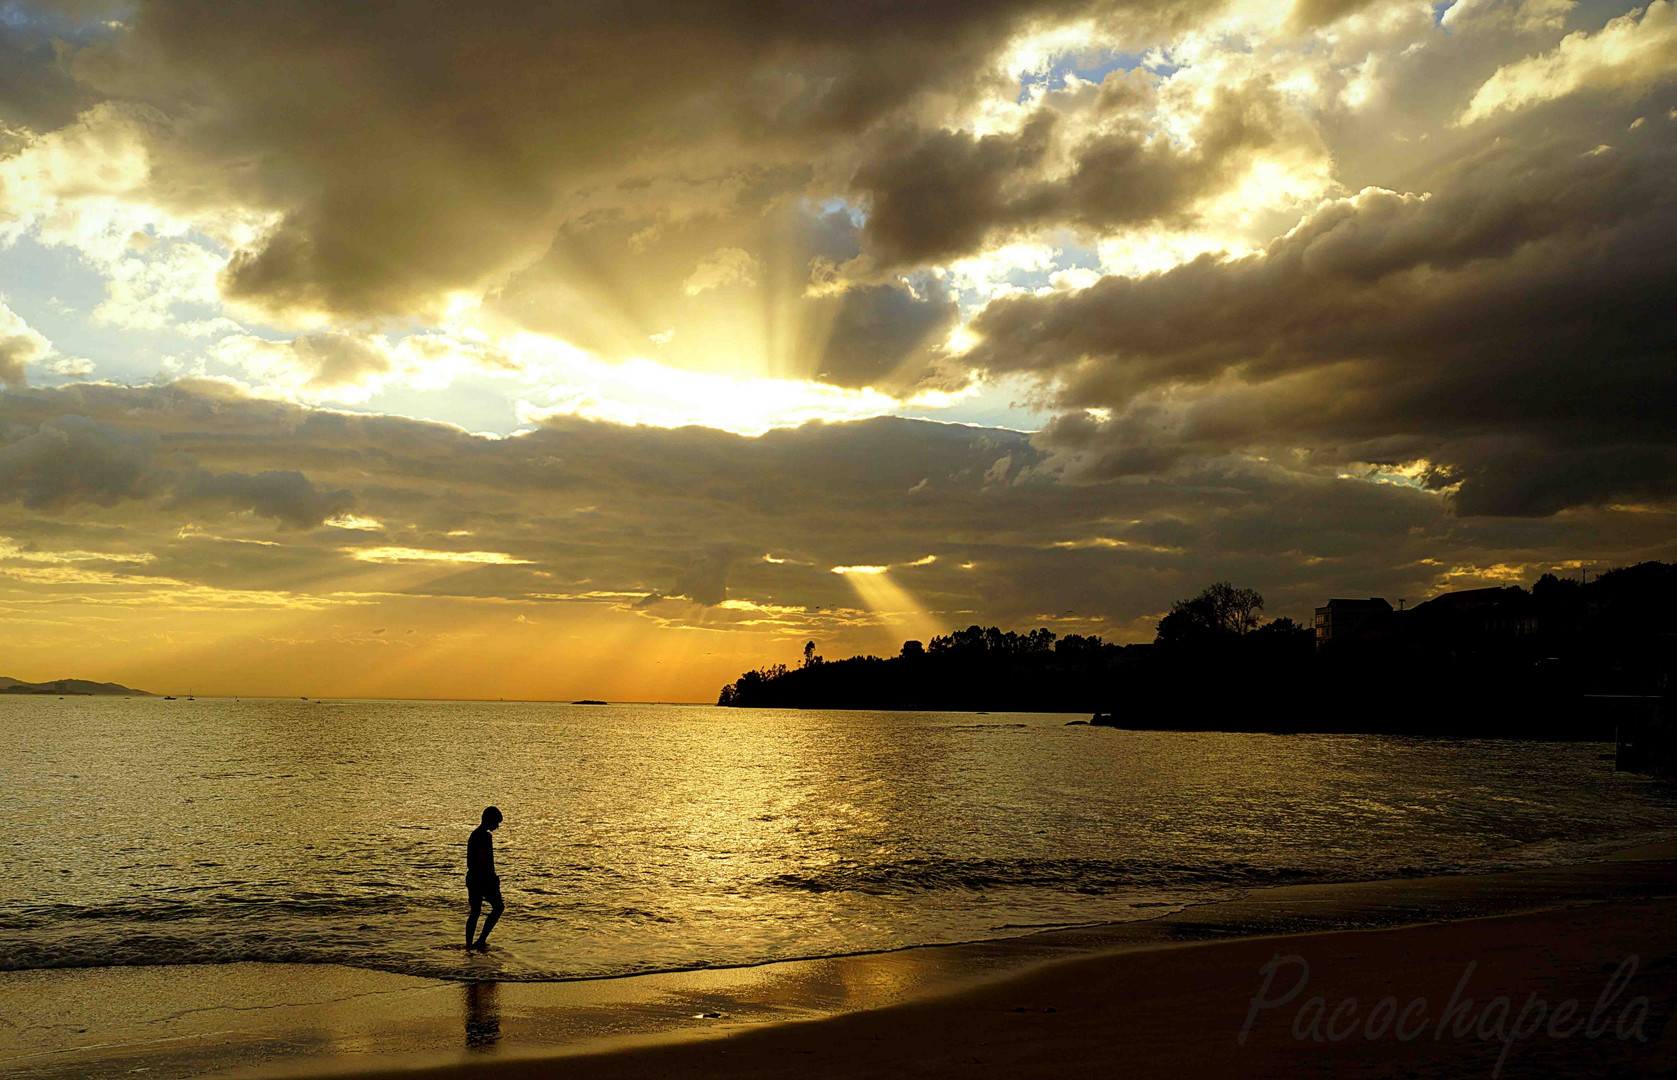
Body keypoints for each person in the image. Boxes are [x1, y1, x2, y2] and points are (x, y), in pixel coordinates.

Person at [465, 806, 504, 951]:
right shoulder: (485, 836)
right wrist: (493, 877)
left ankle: (469, 944)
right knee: (498, 907)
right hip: (483, 878)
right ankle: (481, 940)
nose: (497, 827)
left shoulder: (474, 834)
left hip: (473, 877)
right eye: (496, 823)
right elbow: (483, 858)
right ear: (489, 820)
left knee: (475, 911)